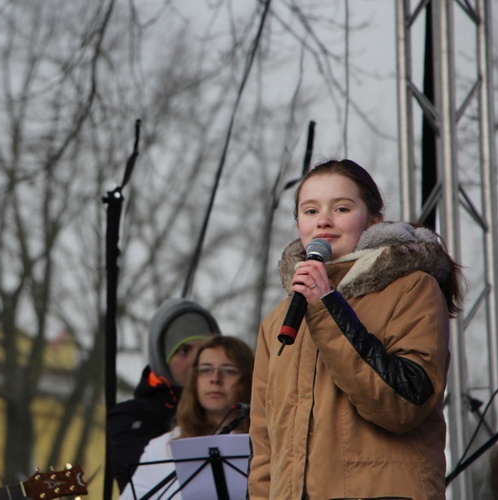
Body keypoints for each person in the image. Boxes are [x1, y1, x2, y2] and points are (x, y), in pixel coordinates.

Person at [248, 159, 464, 499]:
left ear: (373, 221)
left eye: (342, 208)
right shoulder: (278, 321)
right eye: (310, 210)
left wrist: (329, 307)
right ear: (298, 225)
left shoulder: (411, 289)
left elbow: (404, 404)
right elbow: (264, 445)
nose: (323, 220)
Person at [120, 335, 254, 499]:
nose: (215, 379)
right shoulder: (161, 448)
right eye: (206, 369)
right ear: (194, 380)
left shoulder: (267, 445)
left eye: (228, 371)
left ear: (249, 379)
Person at [108, 298, 221, 492]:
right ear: (162, 359)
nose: (196, 360)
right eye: (184, 350)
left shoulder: (235, 411)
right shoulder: (130, 417)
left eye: (203, 350)